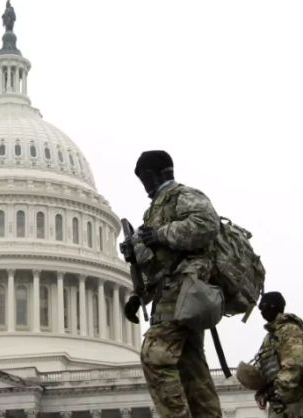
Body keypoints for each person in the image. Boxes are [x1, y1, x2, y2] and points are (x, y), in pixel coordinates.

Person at [121, 150, 222, 418]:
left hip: (186, 288)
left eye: (145, 178)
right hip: (169, 292)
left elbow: (207, 224)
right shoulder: (154, 209)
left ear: (157, 173)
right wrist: (138, 293)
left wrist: (161, 234)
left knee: (154, 354)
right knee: (193, 372)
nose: (144, 185)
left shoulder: (183, 195)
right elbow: (158, 262)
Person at [252, 292, 303, 418]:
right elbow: (266, 368)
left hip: (296, 400)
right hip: (280, 403)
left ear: (273, 307)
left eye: (263, 307)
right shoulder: (270, 337)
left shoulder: (289, 330)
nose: (261, 312)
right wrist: (262, 393)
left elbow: (293, 363)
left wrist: (279, 391)